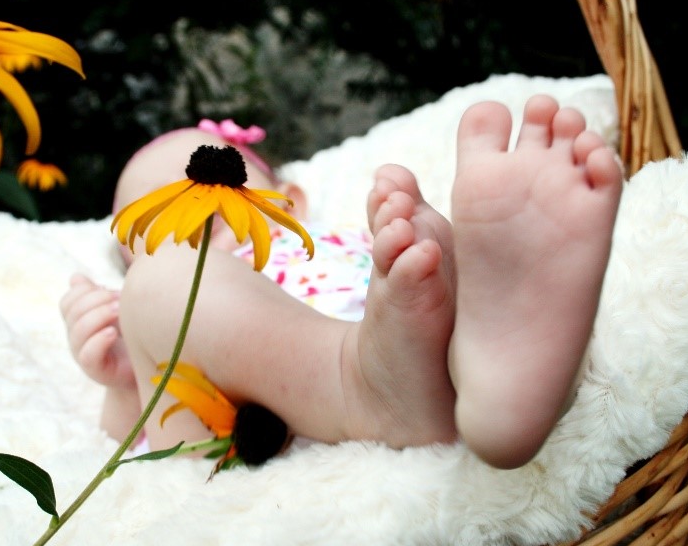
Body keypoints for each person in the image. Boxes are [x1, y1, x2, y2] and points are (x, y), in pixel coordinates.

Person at [59, 96, 623, 470]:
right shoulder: (163, 300)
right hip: (254, 437)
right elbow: (138, 449)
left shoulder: (358, 244)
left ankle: (504, 371)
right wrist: (121, 382)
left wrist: (433, 276)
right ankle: (359, 383)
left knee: (420, 262)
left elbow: (393, 266)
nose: (193, 247)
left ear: (291, 204)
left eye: (208, 223)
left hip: (419, 351)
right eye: (160, 240)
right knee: (163, 293)